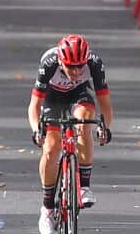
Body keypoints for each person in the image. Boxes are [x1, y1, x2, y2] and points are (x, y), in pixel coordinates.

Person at [28, 34, 113, 234]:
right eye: (70, 67)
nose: (76, 72)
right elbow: (34, 105)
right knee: (51, 148)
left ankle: (84, 186)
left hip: (79, 95)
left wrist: (105, 127)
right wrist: (36, 130)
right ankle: (47, 209)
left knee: (85, 121)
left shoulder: (94, 63)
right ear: (60, 61)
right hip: (53, 98)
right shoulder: (49, 63)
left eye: (80, 67)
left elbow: (105, 104)